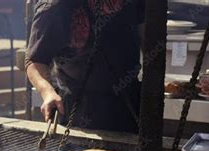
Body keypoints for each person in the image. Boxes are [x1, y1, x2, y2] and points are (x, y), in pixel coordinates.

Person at [25, 0, 145, 133]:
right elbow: (35, 61)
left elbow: (145, 33)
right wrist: (47, 92)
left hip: (129, 104)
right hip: (78, 109)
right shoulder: (55, 6)